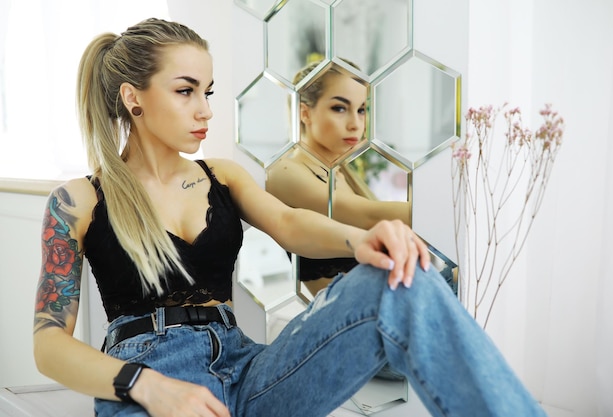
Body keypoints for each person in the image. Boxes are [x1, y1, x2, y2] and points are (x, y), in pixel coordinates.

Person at [33, 18, 546, 417]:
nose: (205, 110)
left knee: (401, 280)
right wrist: (145, 385)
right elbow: (49, 344)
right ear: (133, 98)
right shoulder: (78, 201)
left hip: (248, 368)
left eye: (207, 92)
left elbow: (290, 223)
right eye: (186, 91)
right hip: (149, 381)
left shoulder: (221, 175)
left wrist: (364, 238)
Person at [266, 61, 456, 297]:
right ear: (304, 112)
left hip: (388, 301)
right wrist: (455, 213)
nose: (355, 124)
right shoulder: (284, 172)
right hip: (351, 315)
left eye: (361, 110)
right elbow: (369, 215)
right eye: (339, 108)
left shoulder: (344, 173)